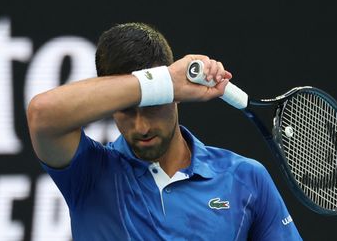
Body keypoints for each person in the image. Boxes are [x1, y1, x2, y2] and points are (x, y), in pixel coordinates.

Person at [26, 22, 302, 240]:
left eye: (152, 105)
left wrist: (162, 85)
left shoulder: (245, 179)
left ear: (176, 96)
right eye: (127, 109)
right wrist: (163, 80)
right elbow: (42, 114)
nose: (142, 126)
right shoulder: (89, 173)